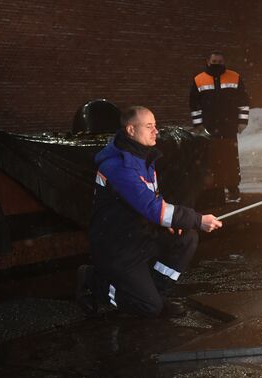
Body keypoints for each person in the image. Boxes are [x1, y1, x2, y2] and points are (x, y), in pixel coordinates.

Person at [77, 106, 222, 318]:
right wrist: (197, 219)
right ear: (131, 130)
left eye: (155, 126)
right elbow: (152, 208)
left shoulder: (142, 157)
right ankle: (93, 281)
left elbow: (153, 198)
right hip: (117, 246)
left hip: (138, 234)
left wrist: (174, 222)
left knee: (186, 237)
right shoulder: (119, 167)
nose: (156, 131)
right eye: (148, 126)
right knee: (147, 308)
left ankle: (158, 294)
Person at [189, 51, 250, 204]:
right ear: (208, 61)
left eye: (220, 60)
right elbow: (194, 105)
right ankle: (215, 192)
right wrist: (198, 125)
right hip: (209, 129)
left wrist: (242, 122)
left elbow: (243, 101)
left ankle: (233, 190)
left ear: (224, 61)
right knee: (212, 161)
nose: (217, 63)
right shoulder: (199, 80)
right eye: (214, 60)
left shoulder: (234, 77)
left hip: (228, 128)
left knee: (230, 160)